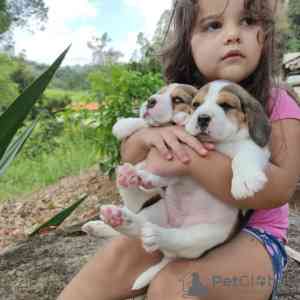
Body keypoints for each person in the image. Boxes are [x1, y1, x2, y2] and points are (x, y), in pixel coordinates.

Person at [58, 0, 300, 299]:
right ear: (188, 43)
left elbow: (280, 190)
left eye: (248, 21)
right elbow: (130, 155)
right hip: (176, 216)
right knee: (115, 258)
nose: (233, 35)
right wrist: (147, 137)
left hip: (256, 235)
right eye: (213, 25)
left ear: (267, 32)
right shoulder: (181, 96)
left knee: (173, 285)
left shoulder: (278, 101)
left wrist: (189, 161)